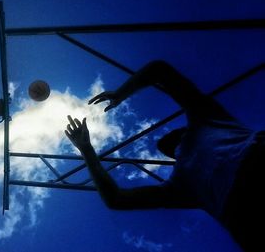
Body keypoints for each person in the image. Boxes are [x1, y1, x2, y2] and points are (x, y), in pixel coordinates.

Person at [65, 60, 264, 251]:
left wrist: (119, 94)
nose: (165, 141)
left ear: (181, 132)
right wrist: (86, 149)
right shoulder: (181, 183)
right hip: (240, 209)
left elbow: (159, 70)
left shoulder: (206, 119)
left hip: (244, 184)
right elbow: (116, 200)